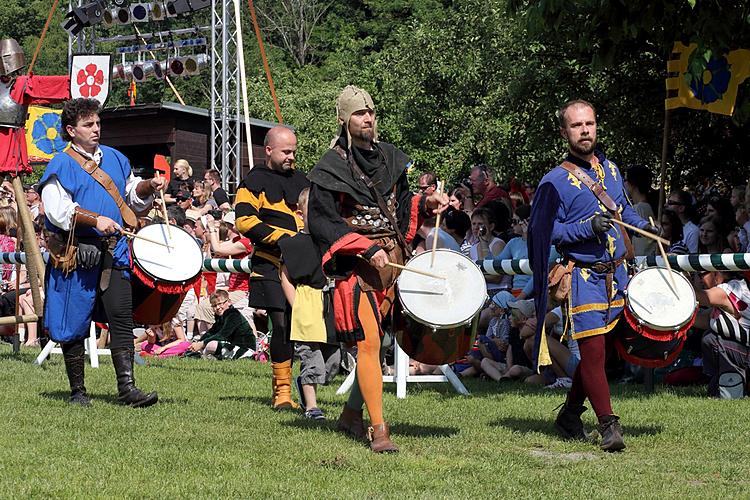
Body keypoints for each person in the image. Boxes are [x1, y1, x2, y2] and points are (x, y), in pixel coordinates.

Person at [307, 85, 448, 452]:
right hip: (357, 267)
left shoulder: (390, 158)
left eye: (370, 112)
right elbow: (323, 221)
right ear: (343, 120)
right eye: (358, 113)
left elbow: (401, 203)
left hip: (393, 260)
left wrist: (427, 201)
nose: (367, 118)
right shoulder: (330, 167)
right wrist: (364, 247)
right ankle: (379, 430)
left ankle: (350, 415)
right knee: (369, 345)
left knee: (382, 341)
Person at [528, 99, 657, 452]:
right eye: (576, 126)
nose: (585, 130)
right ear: (564, 132)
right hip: (583, 278)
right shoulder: (553, 182)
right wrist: (586, 227)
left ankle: (570, 414)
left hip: (617, 275)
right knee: (594, 352)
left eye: (589, 124)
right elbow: (546, 233)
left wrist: (646, 227)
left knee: (604, 354)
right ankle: (608, 425)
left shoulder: (612, 170)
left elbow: (623, 211)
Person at [39, 98, 166, 407]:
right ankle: (78, 392)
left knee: (121, 318)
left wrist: (148, 186)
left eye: (97, 123)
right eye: (88, 125)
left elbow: (130, 199)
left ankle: (127, 389)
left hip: (114, 252)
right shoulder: (61, 163)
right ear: (71, 130)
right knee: (74, 321)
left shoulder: (116, 158)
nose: (96, 129)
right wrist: (96, 219)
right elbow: (57, 211)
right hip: (77, 253)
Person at [235, 125, 309, 409]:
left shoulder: (304, 181)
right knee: (280, 324)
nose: (291, 156)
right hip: (268, 263)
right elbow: (244, 221)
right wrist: (285, 239)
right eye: (286, 151)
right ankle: (282, 393)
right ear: (268, 150)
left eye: (294, 151)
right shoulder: (253, 180)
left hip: (301, 266)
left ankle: (306, 386)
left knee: (295, 325)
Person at [279, 188, 339, 421]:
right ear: (300, 212)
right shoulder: (292, 245)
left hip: (328, 303)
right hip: (306, 301)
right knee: (311, 357)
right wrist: (297, 305)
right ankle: (312, 407)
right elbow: (285, 276)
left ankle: (305, 383)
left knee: (332, 361)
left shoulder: (330, 243)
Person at [0, 38, 70, 175]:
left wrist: (78, 81)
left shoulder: (21, 84)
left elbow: (51, 86)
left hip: (11, 144)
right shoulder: (19, 84)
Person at [188, 289, 256, 360]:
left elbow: (222, 336)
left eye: (220, 304)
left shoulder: (233, 314)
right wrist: (199, 342)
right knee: (207, 344)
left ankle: (203, 356)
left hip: (245, 349)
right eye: (214, 305)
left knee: (211, 345)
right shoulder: (220, 316)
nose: (217, 307)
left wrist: (202, 344)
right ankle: (201, 354)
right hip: (232, 346)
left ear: (229, 302)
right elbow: (211, 332)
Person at [623, 165, 656, 257]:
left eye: (625, 180)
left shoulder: (640, 208)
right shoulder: (641, 206)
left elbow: (641, 248)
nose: (623, 184)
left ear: (632, 184)